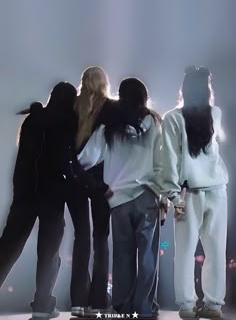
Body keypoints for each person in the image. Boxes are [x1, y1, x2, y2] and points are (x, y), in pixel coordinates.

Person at [77, 77, 164, 318]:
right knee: (147, 256)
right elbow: (161, 162)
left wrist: (98, 184)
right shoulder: (154, 122)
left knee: (122, 257)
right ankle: (145, 308)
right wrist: (164, 194)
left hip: (118, 199)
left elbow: (86, 159)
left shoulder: (108, 126)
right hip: (147, 196)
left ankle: (124, 308)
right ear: (143, 97)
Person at [0, 82, 78, 318]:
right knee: (49, 251)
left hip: (25, 194)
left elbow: (22, 160)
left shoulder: (32, 121)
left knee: (8, 247)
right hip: (52, 195)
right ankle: (43, 305)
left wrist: (19, 190)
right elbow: (67, 160)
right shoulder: (68, 122)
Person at [161, 66, 228, 319]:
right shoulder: (216, 113)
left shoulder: (172, 118)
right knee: (215, 251)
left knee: (185, 253)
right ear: (207, 89)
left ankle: (187, 306)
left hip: (186, 194)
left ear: (184, 89)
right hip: (217, 190)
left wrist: (171, 196)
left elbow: (169, 160)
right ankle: (213, 306)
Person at [68, 66, 115, 318]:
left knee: (81, 238)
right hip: (100, 181)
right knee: (100, 239)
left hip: (75, 179)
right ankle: (98, 300)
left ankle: (78, 301)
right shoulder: (109, 108)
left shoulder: (73, 107)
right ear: (104, 83)